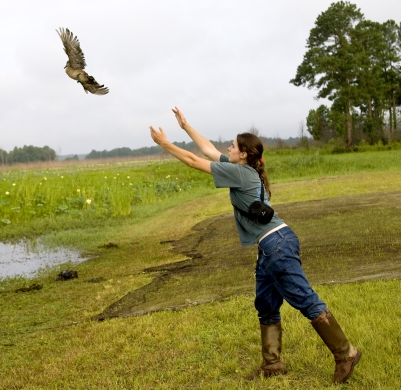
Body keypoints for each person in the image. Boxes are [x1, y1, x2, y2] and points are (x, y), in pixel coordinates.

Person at [149, 107, 362, 384]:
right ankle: (272, 365)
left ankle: (346, 353)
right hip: (269, 247)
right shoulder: (242, 168)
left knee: (305, 299)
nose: (228, 147)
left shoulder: (240, 174)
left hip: (277, 245)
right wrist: (186, 126)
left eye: (233, 145)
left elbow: (193, 160)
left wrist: (165, 144)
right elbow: (208, 150)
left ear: (244, 154)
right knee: (266, 304)